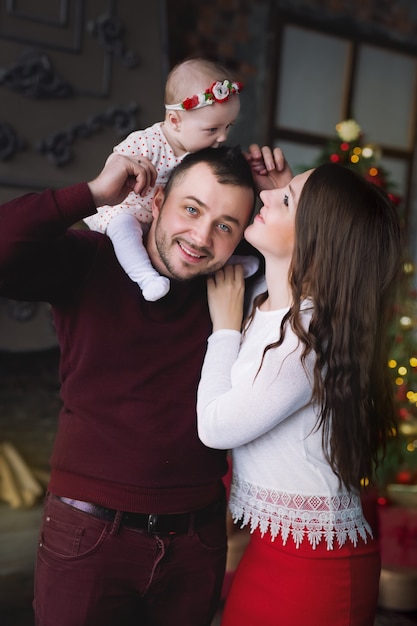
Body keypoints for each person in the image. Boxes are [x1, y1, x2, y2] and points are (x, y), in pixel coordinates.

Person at [0, 143, 294, 626]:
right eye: (191, 209)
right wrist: (92, 193)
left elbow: (323, 294)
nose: (200, 236)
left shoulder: (241, 287)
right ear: (156, 203)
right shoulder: (92, 260)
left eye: (225, 225)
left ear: (241, 235)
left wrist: (283, 197)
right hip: (88, 533)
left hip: (197, 540)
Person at [197, 159, 403, 625]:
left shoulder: (309, 339)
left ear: (317, 241)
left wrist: (224, 329)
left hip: (317, 569)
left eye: (284, 199)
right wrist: (287, 196)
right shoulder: (263, 301)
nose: (264, 196)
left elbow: (215, 428)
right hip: (272, 550)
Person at [84, 57, 257, 302]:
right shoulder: (146, 142)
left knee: (198, 243)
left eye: (228, 127)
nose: (221, 138)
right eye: (212, 130)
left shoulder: (198, 151)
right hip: (127, 210)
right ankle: (145, 277)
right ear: (175, 121)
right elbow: (117, 165)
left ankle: (229, 263)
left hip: (155, 220)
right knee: (125, 232)